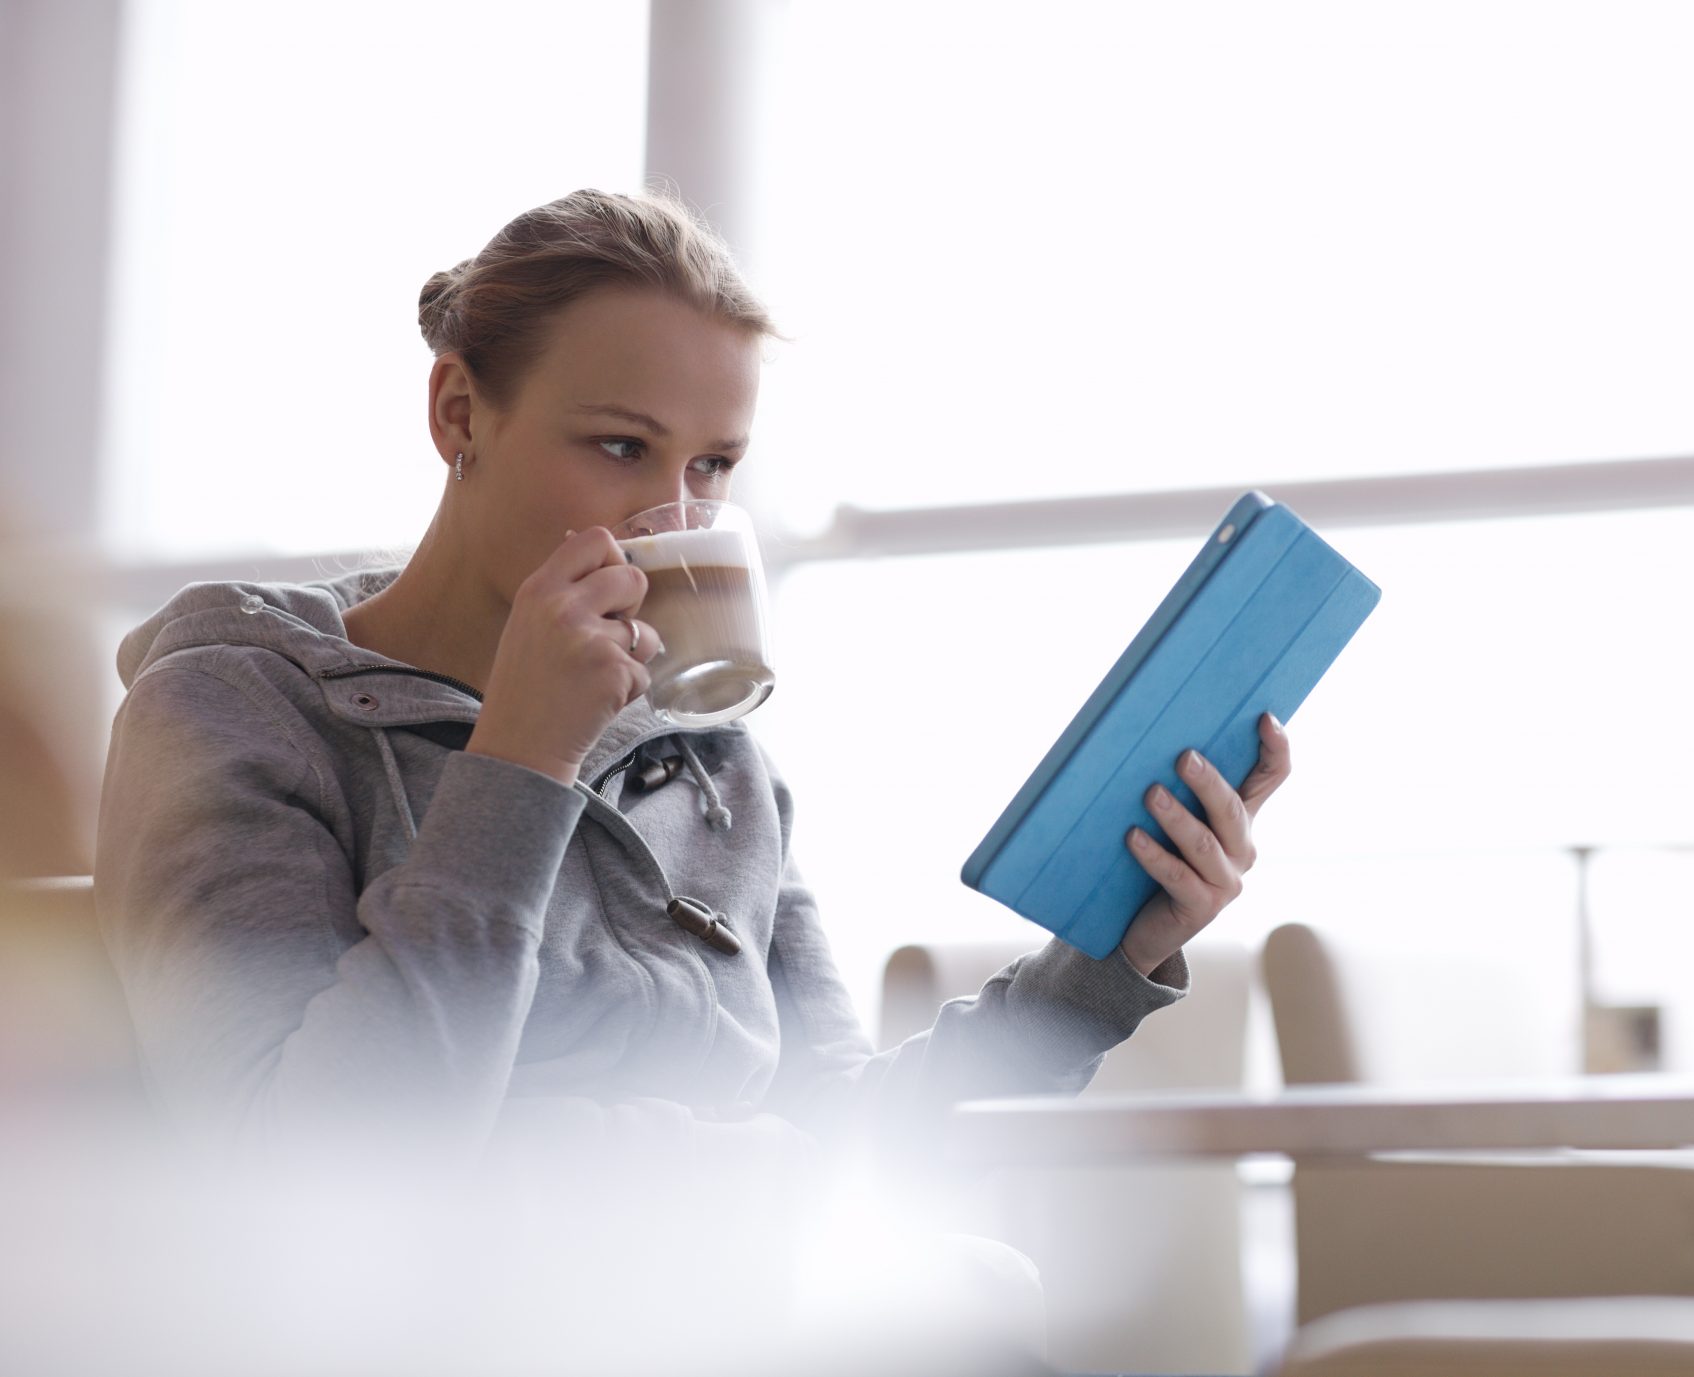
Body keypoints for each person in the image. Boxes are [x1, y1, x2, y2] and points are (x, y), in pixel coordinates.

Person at [94, 187, 1293, 1169]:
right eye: (620, 446)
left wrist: (1110, 959)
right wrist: (519, 763)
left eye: (712, 466)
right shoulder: (237, 711)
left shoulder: (710, 752)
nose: (671, 513)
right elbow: (307, 1178)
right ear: (460, 411)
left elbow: (839, 1131)